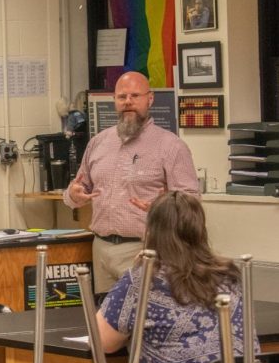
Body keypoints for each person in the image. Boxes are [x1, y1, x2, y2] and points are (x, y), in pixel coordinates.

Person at [95, 191, 279, 363]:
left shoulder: (143, 279)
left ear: (150, 231)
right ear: (200, 230)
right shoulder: (229, 276)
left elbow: (103, 341)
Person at [63, 71, 199, 293]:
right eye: (122, 97)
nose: (128, 102)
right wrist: (73, 196)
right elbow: (77, 189)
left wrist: (162, 208)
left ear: (150, 99)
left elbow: (191, 203)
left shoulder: (171, 146)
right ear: (114, 101)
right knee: (104, 323)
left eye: (135, 96)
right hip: (101, 250)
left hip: (145, 250)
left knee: (142, 322)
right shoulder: (98, 143)